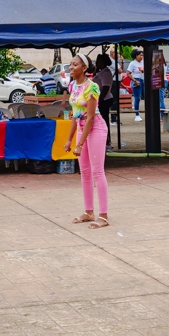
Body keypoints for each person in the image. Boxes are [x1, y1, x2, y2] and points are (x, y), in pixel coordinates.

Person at [65, 55, 108, 228]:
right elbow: (76, 115)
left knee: (97, 171)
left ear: (84, 68)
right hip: (82, 130)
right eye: (70, 64)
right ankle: (89, 212)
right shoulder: (72, 86)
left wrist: (79, 144)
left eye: (75, 65)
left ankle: (103, 215)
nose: (71, 67)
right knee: (84, 172)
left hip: (95, 128)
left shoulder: (92, 87)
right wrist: (69, 139)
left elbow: (90, 118)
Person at [126, 49, 144, 121]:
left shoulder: (143, 62)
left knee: (145, 97)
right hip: (137, 80)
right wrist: (134, 80)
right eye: (140, 55)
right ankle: (137, 115)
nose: (142, 57)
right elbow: (128, 73)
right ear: (136, 56)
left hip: (143, 80)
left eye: (142, 55)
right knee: (137, 98)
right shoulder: (132, 63)